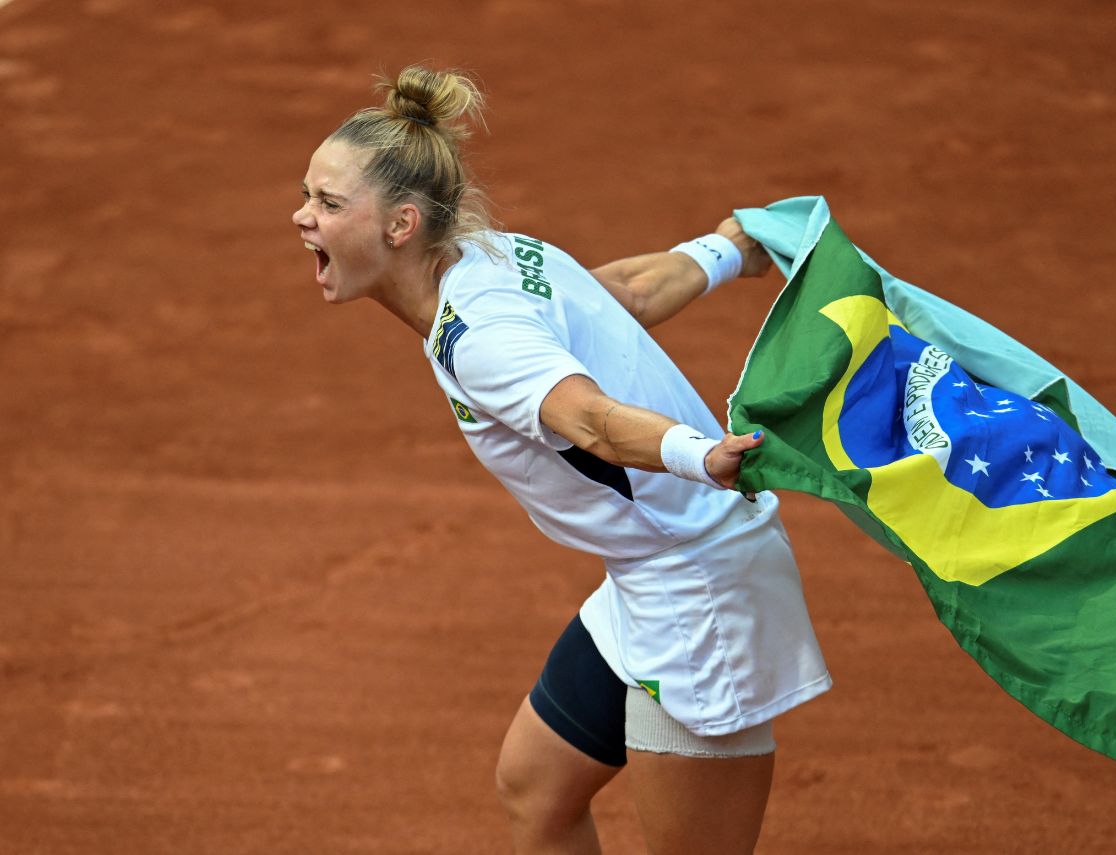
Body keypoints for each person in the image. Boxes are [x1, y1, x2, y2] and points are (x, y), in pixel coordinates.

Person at [291, 64, 830, 854]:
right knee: (536, 790)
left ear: (400, 225)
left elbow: (591, 420)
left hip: (699, 590)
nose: (303, 217)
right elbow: (624, 297)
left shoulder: (478, 343)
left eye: (328, 204)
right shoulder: (489, 256)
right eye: (308, 194)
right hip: (647, 572)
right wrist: (724, 250)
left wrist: (698, 454)